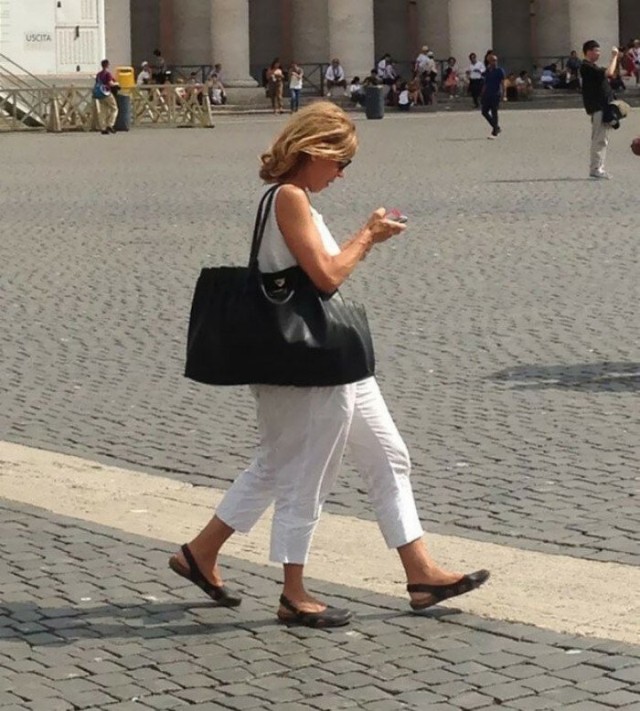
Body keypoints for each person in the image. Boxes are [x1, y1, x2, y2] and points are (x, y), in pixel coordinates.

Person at [168, 101, 490, 628]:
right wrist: (368, 235)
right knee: (303, 472)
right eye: (340, 162)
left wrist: (364, 240)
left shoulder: (294, 198)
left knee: (385, 455)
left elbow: (319, 270)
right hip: (307, 363)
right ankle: (293, 592)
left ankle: (420, 572)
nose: (341, 174)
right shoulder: (289, 197)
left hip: (332, 361)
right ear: (313, 150)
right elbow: (326, 277)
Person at [580, 40, 620, 179]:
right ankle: (596, 168)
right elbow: (609, 72)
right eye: (596, 50)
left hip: (603, 106)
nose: (598, 53)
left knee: (603, 139)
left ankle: (599, 167)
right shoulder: (586, 67)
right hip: (598, 107)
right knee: (599, 139)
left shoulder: (593, 67)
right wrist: (614, 56)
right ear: (588, 51)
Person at [480, 52, 505, 139]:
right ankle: (496, 127)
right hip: (487, 94)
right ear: (489, 61)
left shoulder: (499, 71)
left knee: (494, 112)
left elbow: (502, 83)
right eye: (492, 60)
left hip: (495, 94)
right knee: (484, 112)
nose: (494, 62)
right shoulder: (487, 71)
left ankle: (494, 132)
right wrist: (482, 93)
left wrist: (504, 94)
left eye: (495, 60)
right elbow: (485, 83)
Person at [94, 59, 119, 135]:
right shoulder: (108, 74)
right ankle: (110, 124)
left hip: (100, 94)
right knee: (114, 109)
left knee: (103, 111)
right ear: (107, 65)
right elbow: (110, 83)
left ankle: (103, 128)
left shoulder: (98, 74)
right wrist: (117, 83)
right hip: (107, 93)